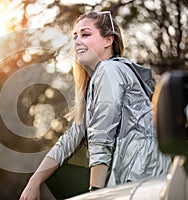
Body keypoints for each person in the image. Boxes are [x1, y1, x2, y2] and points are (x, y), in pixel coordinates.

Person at [20, 11, 171, 200]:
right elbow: (70, 138)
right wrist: (34, 181)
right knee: (55, 174)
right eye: (75, 36)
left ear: (108, 40)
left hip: (138, 175)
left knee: (60, 176)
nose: (77, 41)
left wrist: (96, 192)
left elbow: (102, 135)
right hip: (126, 172)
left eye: (85, 34)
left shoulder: (110, 69)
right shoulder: (99, 80)